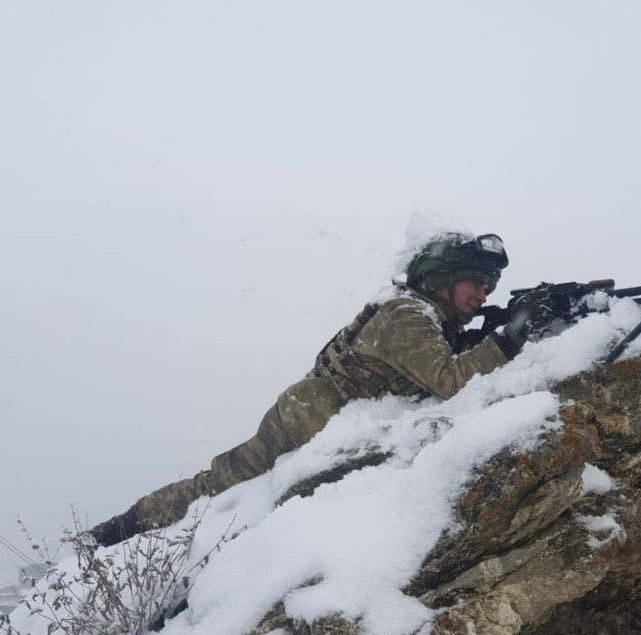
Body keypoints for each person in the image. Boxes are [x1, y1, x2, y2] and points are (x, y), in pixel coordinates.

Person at [89, 232, 531, 547]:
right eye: (476, 281)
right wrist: (512, 335)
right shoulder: (406, 314)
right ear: (442, 278)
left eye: (489, 285)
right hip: (305, 419)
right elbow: (451, 381)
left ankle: (121, 528)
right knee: (220, 487)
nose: (483, 292)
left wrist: (492, 334)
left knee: (222, 487)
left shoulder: (426, 320)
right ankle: (120, 530)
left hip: (315, 410)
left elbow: (438, 367)